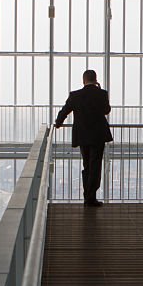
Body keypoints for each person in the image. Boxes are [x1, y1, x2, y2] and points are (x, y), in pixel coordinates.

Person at [54, 69, 113, 206]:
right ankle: (90, 196)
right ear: (96, 79)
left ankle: (88, 195)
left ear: (83, 80)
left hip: (83, 135)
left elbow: (65, 110)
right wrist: (99, 89)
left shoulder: (75, 95)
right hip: (98, 135)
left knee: (87, 165)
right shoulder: (102, 94)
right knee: (95, 165)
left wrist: (58, 123)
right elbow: (106, 110)